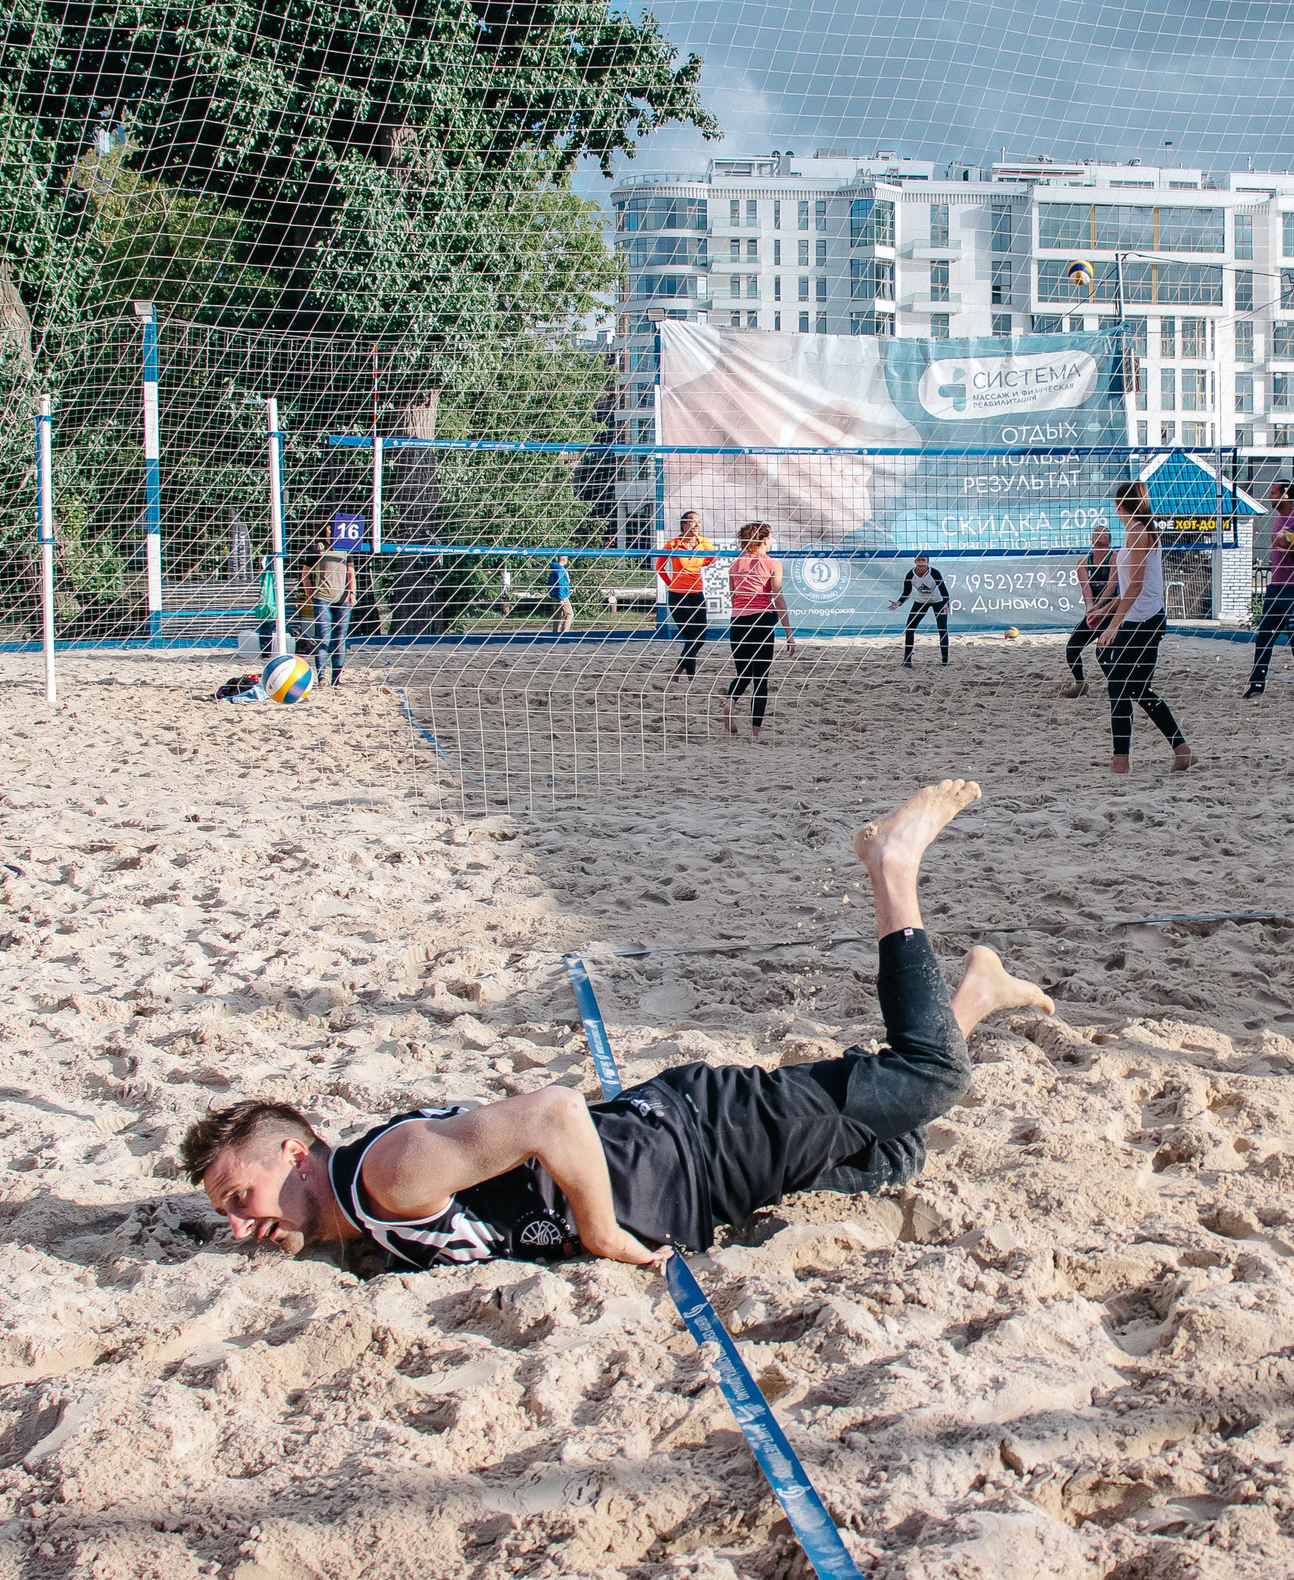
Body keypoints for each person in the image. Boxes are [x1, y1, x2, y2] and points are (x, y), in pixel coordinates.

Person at [182, 780, 1050, 1274]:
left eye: (240, 1199)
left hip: (702, 1142)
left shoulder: (388, 1174)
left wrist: (598, 1233)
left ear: (295, 1153)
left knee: (931, 1079)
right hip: (692, 1181)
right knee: (896, 1153)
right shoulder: (362, 1222)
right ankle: (973, 993)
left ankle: (893, 866)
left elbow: (555, 1111)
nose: (239, 1225)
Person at [1090, 480, 1197, 774]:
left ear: (1120, 505)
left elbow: (1137, 586)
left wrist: (1113, 625)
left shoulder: (1139, 532)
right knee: (1135, 687)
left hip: (1145, 621)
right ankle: (1182, 752)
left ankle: (1120, 761)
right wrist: (1105, 609)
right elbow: (1130, 588)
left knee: (1119, 685)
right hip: (1141, 618)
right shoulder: (1134, 532)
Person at [1245, 479, 1294, 699]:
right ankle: (1257, 685)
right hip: (1276, 587)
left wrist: (1289, 547)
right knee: (1264, 637)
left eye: (1274, 492)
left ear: (1285, 495)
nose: (1270, 496)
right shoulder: (1278, 518)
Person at [725, 522, 794, 737]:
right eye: (770, 537)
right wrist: (789, 633)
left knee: (743, 673)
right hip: (761, 620)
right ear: (764, 540)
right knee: (761, 679)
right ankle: (755, 732)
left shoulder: (735, 565)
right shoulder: (772, 563)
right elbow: (778, 597)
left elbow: (733, 597)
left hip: (737, 621)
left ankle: (730, 701)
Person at [656, 511, 714, 679]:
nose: (697, 525)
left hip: (697, 594)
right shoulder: (673, 544)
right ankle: (690, 677)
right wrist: (672, 583)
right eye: (693, 522)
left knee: (701, 638)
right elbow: (659, 567)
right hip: (678, 595)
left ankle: (678, 671)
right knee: (691, 636)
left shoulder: (704, 543)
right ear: (684, 525)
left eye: (698, 521)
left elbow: (711, 559)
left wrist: (695, 566)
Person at [1059, 525, 1115, 698]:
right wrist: (1090, 610)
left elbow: (1112, 587)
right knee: (1072, 649)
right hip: (1096, 612)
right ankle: (1080, 683)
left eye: (1103, 533)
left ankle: (1117, 685)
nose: (1099, 534)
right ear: (1091, 539)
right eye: (1096, 532)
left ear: (1109, 540)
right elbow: (1087, 591)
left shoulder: (1114, 558)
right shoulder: (1083, 563)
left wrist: (1099, 608)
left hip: (1113, 611)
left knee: (1102, 653)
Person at [300, 533, 356, 686]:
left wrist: (352, 593)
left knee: (340, 640)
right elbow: (305, 573)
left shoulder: (346, 547)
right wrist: (311, 595)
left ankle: (336, 679)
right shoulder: (317, 548)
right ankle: (322, 677)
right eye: (330, 526)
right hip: (322, 599)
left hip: (343, 600)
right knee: (324, 638)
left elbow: (351, 572)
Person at [893, 554, 952, 668]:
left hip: (938, 601)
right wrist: (898, 603)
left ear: (927, 562)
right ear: (915, 561)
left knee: (942, 629)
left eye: (923, 560)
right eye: (918, 560)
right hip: (921, 601)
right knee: (910, 628)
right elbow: (906, 592)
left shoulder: (934, 573)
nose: (921, 562)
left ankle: (945, 661)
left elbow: (945, 592)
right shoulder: (910, 574)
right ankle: (907, 660)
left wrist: (946, 604)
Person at [550, 554, 574, 635]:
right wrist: (561, 598)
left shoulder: (554, 569)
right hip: (562, 595)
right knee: (569, 614)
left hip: (555, 594)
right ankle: (564, 632)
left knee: (557, 614)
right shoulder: (560, 570)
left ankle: (555, 632)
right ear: (563, 559)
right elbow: (560, 584)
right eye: (567, 558)